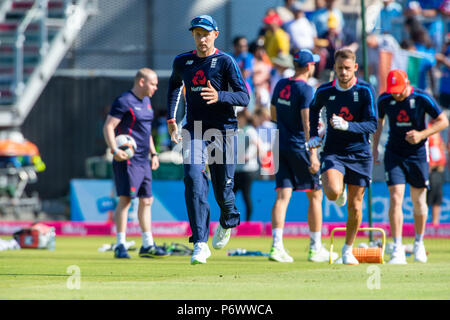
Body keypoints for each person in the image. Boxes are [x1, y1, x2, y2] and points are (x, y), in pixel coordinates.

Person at [166, 15, 250, 265]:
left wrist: (221, 96)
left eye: (206, 33)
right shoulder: (183, 62)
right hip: (195, 130)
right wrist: (172, 120)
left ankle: (227, 221)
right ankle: (200, 242)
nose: (201, 38)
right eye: (197, 34)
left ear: (215, 34)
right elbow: (173, 86)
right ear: (193, 35)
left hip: (224, 131)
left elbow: (244, 97)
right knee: (193, 178)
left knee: (224, 191)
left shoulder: (225, 61)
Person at [308, 48, 378, 265]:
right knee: (332, 192)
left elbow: (373, 124)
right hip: (334, 151)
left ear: (355, 67)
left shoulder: (366, 90)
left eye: (348, 68)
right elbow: (313, 109)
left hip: (360, 153)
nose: (344, 72)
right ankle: (339, 193)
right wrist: (313, 134)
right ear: (335, 68)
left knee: (356, 207)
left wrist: (349, 126)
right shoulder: (325, 90)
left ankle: (347, 250)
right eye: (340, 68)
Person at [269, 49, 338, 263]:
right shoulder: (307, 90)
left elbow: (272, 114)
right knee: (315, 195)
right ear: (309, 66)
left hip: (280, 145)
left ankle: (276, 247)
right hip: (300, 146)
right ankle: (315, 248)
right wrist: (314, 154)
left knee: (282, 196)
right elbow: (308, 124)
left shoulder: (281, 84)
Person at [373, 69, 448, 264]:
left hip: (417, 154)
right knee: (396, 198)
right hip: (394, 153)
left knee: (418, 201)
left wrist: (422, 135)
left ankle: (418, 243)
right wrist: (374, 148)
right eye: (393, 91)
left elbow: (443, 121)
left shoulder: (422, 97)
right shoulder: (384, 100)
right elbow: (379, 124)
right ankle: (397, 246)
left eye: (399, 90)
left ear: (407, 83)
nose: (396, 95)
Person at [103, 68, 168, 259]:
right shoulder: (124, 101)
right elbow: (108, 126)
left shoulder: (147, 102)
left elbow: (145, 132)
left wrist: (154, 153)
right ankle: (120, 244)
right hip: (127, 160)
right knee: (125, 200)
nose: (156, 88)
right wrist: (114, 150)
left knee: (147, 200)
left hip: (143, 160)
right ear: (141, 82)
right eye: (153, 83)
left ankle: (147, 244)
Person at [234, 110, 264, 222]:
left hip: (247, 170)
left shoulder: (249, 130)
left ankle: (247, 223)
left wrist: (250, 156)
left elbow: (260, 147)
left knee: (245, 196)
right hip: (237, 169)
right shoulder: (240, 130)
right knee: (230, 197)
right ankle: (231, 221)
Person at [427, 120, 447, 226]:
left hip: (438, 170)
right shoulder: (430, 129)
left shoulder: (437, 132)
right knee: (428, 198)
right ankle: (424, 225)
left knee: (437, 198)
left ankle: (435, 223)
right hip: (432, 170)